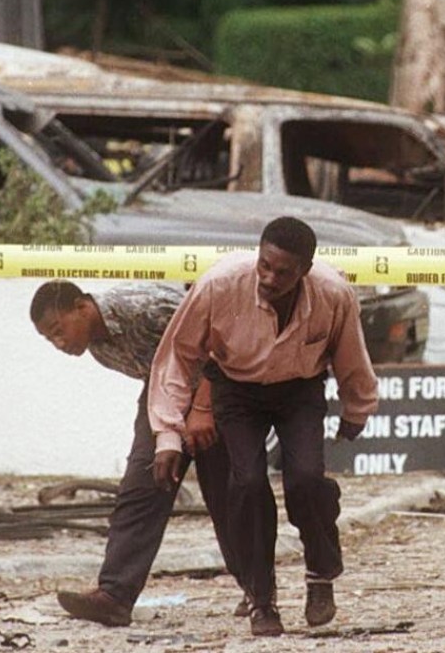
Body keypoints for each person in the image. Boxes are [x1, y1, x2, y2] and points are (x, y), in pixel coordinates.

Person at [148, 216, 378, 637]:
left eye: (283, 272)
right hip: (236, 391)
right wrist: (167, 433)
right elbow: (177, 358)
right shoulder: (219, 285)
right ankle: (261, 598)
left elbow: (351, 353)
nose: (270, 278)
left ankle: (320, 575)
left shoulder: (333, 293)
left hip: (299, 390)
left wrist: (357, 409)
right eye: (264, 265)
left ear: (305, 271)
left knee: (308, 479)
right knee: (248, 484)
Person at [29, 280, 243, 627]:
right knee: (142, 485)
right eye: (49, 339)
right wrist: (167, 432)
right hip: (165, 394)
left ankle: (259, 593)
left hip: (219, 385)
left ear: (83, 307)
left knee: (228, 493)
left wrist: (203, 408)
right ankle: (114, 596)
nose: (59, 343)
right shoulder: (98, 349)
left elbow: (223, 341)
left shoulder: (145, 308)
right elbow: (158, 378)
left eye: (58, 330)